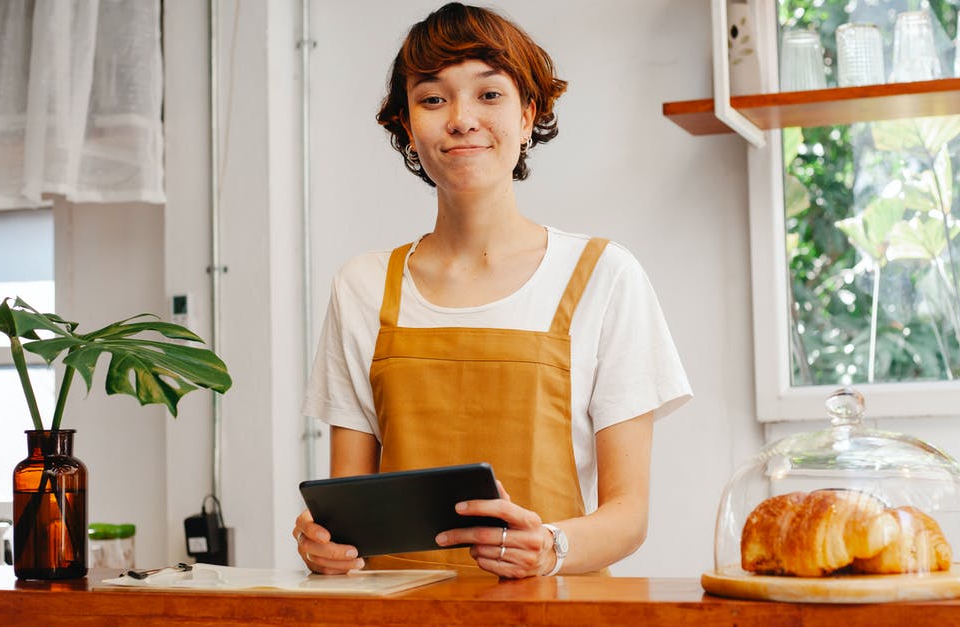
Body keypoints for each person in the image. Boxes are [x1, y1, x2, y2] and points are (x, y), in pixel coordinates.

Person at [292, 2, 691, 579]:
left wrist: (551, 545)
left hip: (556, 614)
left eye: (489, 94)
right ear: (406, 123)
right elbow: (350, 506)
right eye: (432, 98)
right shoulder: (361, 287)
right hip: (397, 619)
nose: (460, 119)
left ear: (529, 115)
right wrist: (324, 543)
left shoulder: (605, 276)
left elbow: (628, 515)